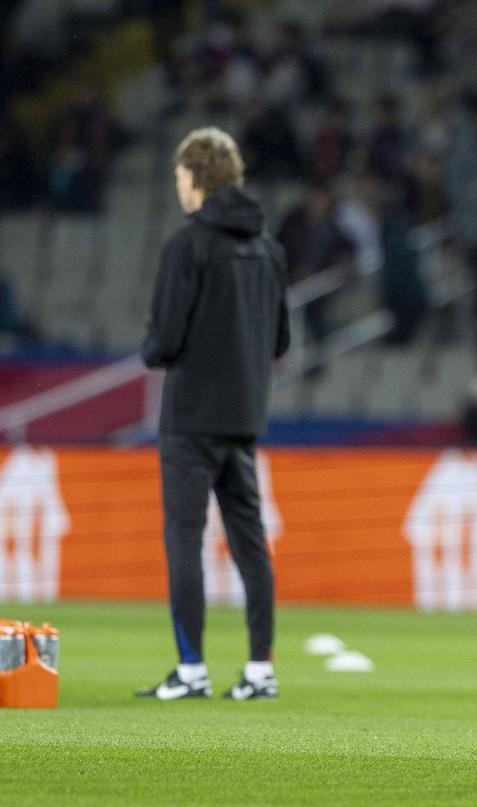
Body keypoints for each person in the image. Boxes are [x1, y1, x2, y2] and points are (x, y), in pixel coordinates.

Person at [138, 127, 289, 701]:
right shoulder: (268, 248)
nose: (179, 187)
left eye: (180, 176)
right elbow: (280, 339)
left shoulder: (189, 245)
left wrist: (160, 349)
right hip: (245, 415)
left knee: (184, 536)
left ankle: (191, 669)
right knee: (250, 542)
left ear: (196, 176)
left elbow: (164, 339)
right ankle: (260, 669)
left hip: (190, 416)